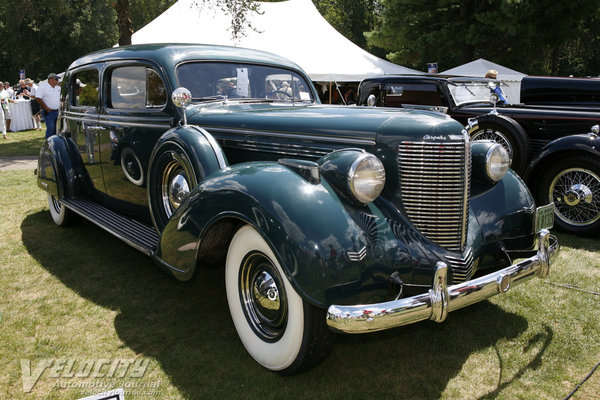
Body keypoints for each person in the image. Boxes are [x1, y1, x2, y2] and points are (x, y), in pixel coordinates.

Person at [36, 73, 61, 138]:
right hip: (49, 112)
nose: (57, 81)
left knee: (57, 129)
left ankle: (55, 143)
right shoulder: (43, 87)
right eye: (56, 79)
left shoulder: (58, 88)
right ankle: (48, 143)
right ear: (51, 79)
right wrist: (46, 107)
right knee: (51, 128)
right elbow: (38, 98)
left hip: (58, 111)